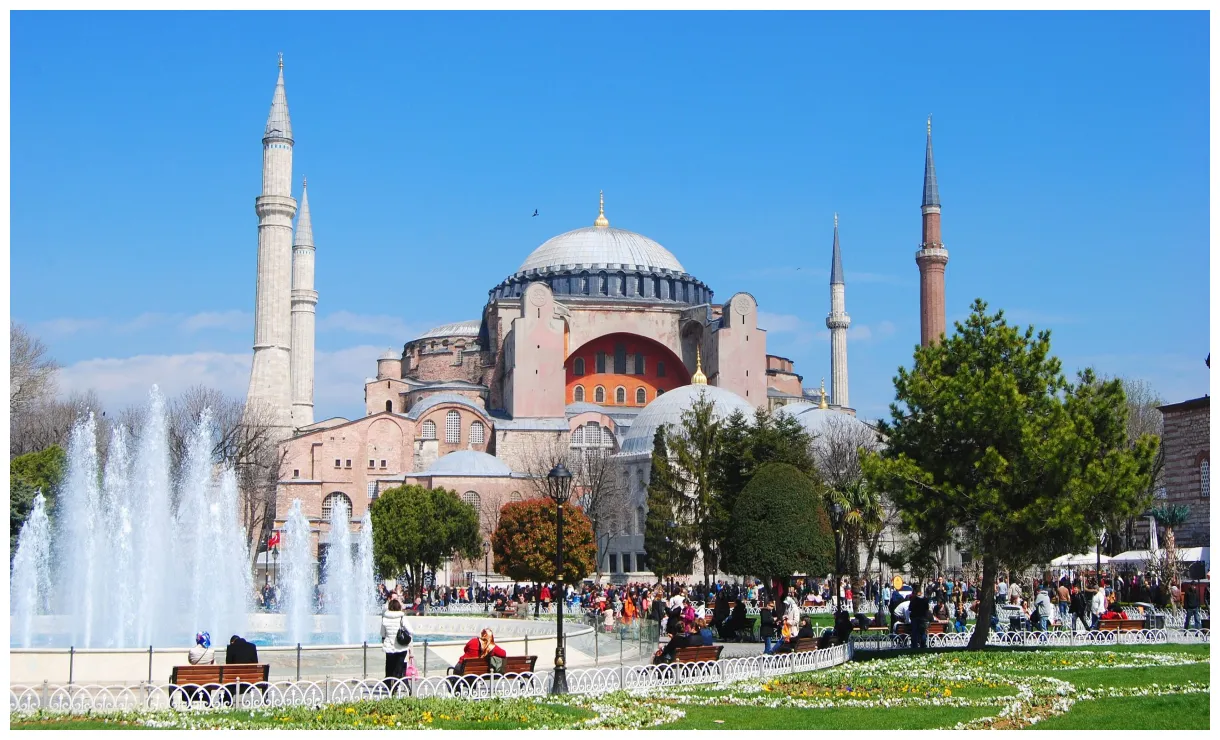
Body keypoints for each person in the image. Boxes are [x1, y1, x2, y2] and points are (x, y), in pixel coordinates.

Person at [380, 597, 413, 691]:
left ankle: (388, 685)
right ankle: (395, 687)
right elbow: (411, 630)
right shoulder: (402, 617)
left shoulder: (384, 618)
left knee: (389, 667)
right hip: (401, 647)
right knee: (398, 668)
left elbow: (382, 633)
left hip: (389, 646)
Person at [908, 585, 930, 649]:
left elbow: (910, 608)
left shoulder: (914, 599)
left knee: (915, 632)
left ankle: (915, 645)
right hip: (923, 618)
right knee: (923, 632)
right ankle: (923, 645)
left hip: (915, 617)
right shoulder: (925, 600)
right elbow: (927, 608)